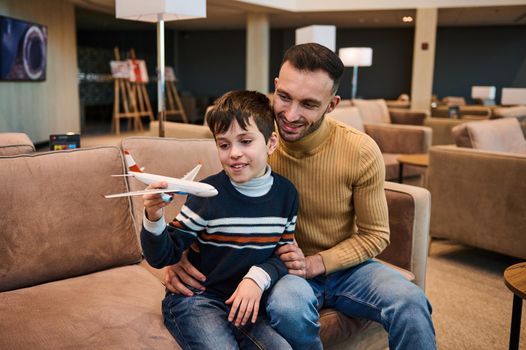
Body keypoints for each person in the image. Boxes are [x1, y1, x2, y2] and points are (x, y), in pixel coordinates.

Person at [164, 43, 437, 350]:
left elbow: (376, 236)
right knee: (288, 307)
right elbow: (218, 206)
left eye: (309, 104)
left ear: (332, 104)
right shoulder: (255, 140)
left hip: (345, 269)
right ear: (276, 86)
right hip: (283, 271)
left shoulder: (360, 151)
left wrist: (316, 262)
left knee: (411, 301)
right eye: (284, 97)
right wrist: (182, 254)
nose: (290, 115)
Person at [140, 90, 315, 349]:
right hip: (197, 300)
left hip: (245, 301)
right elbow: (162, 256)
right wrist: (154, 217)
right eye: (224, 144)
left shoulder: (286, 194)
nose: (234, 153)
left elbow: (283, 255)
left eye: (245, 141)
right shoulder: (206, 195)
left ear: (271, 143)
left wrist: (257, 278)